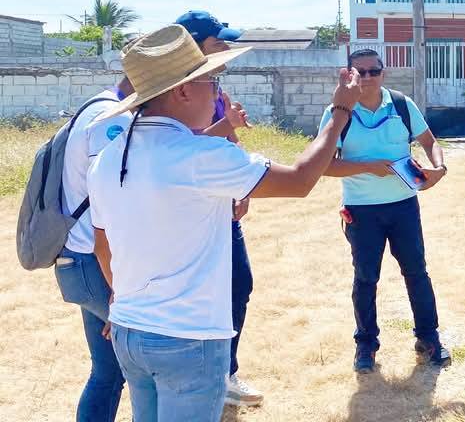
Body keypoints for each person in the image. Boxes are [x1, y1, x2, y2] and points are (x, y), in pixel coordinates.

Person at [88, 24, 363, 422]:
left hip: (130, 330)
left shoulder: (109, 158)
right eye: (212, 81)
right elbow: (301, 180)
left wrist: (122, 295)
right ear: (184, 91)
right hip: (187, 337)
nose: (217, 92)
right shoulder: (200, 156)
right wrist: (339, 113)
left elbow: (102, 244)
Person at [318, 48, 451, 373]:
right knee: (366, 278)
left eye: (373, 71)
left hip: (404, 205)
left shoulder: (402, 105)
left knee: (417, 272)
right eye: (359, 72)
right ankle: (366, 345)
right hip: (361, 210)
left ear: (383, 72)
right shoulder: (338, 113)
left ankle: (428, 338)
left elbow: (430, 141)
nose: (366, 78)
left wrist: (438, 168)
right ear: (349, 76)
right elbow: (324, 165)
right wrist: (368, 167)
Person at [175, 9, 261, 406]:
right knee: (197, 293)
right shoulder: (176, 90)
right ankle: (201, 376)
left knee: (237, 285)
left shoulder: (213, 86)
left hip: (221, 211)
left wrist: (241, 188)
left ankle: (225, 373)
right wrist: (226, 127)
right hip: (188, 212)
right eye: (217, 41)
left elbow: (226, 144)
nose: (226, 46)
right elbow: (179, 152)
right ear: (193, 45)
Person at [54, 76, 135, 421]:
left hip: (84, 260)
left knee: (108, 370)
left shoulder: (99, 106)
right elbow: (111, 197)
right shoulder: (111, 118)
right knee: (143, 365)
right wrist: (119, 290)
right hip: (96, 262)